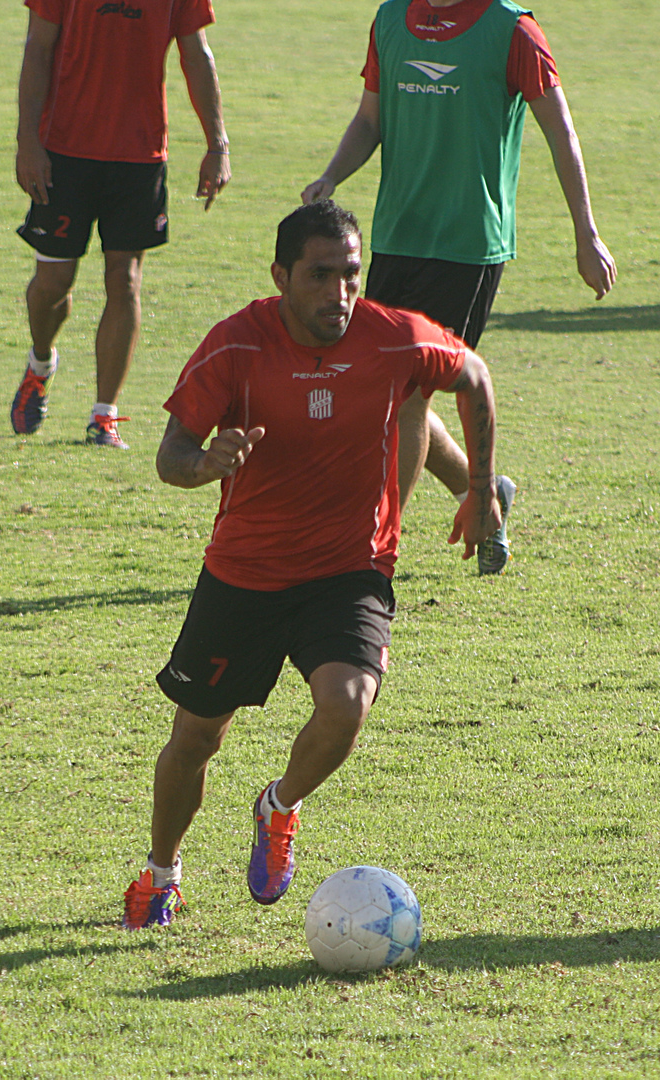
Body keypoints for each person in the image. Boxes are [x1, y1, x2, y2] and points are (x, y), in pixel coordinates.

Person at [123, 200, 502, 929]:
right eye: (320, 275)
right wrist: (205, 464)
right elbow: (171, 454)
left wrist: (480, 487)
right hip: (246, 573)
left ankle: (278, 806)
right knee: (196, 738)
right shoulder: (237, 345)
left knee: (348, 702)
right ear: (281, 277)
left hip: (350, 567)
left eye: (351, 274)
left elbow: (474, 375)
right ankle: (161, 873)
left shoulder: (392, 338)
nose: (340, 293)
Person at [302, 0, 617, 572]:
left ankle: (370, 548)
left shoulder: (514, 31)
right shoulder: (391, 20)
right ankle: (487, 493)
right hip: (397, 236)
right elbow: (370, 120)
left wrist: (586, 234)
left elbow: (561, 131)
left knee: (406, 394)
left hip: (466, 247)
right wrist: (331, 174)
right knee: (384, 390)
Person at [11, 0, 230, 449]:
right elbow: (38, 47)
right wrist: (27, 140)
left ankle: (103, 416)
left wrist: (217, 144)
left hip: (139, 154)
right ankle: (40, 364)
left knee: (125, 280)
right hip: (64, 150)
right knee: (54, 282)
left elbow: (197, 54)